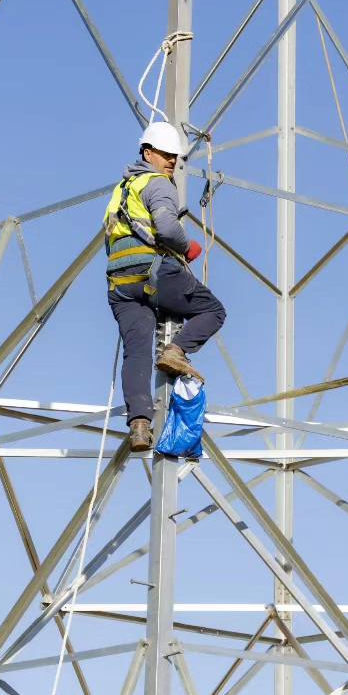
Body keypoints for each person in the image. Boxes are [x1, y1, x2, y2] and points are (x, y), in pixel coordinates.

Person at [104, 122, 227, 452]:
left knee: (136, 352)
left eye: (175, 156)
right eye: (166, 154)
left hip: (120, 283)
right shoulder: (158, 184)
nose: (172, 160)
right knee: (213, 311)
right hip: (153, 273)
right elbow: (168, 229)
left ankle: (139, 424)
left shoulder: (121, 191)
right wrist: (187, 248)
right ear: (148, 153)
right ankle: (175, 351)